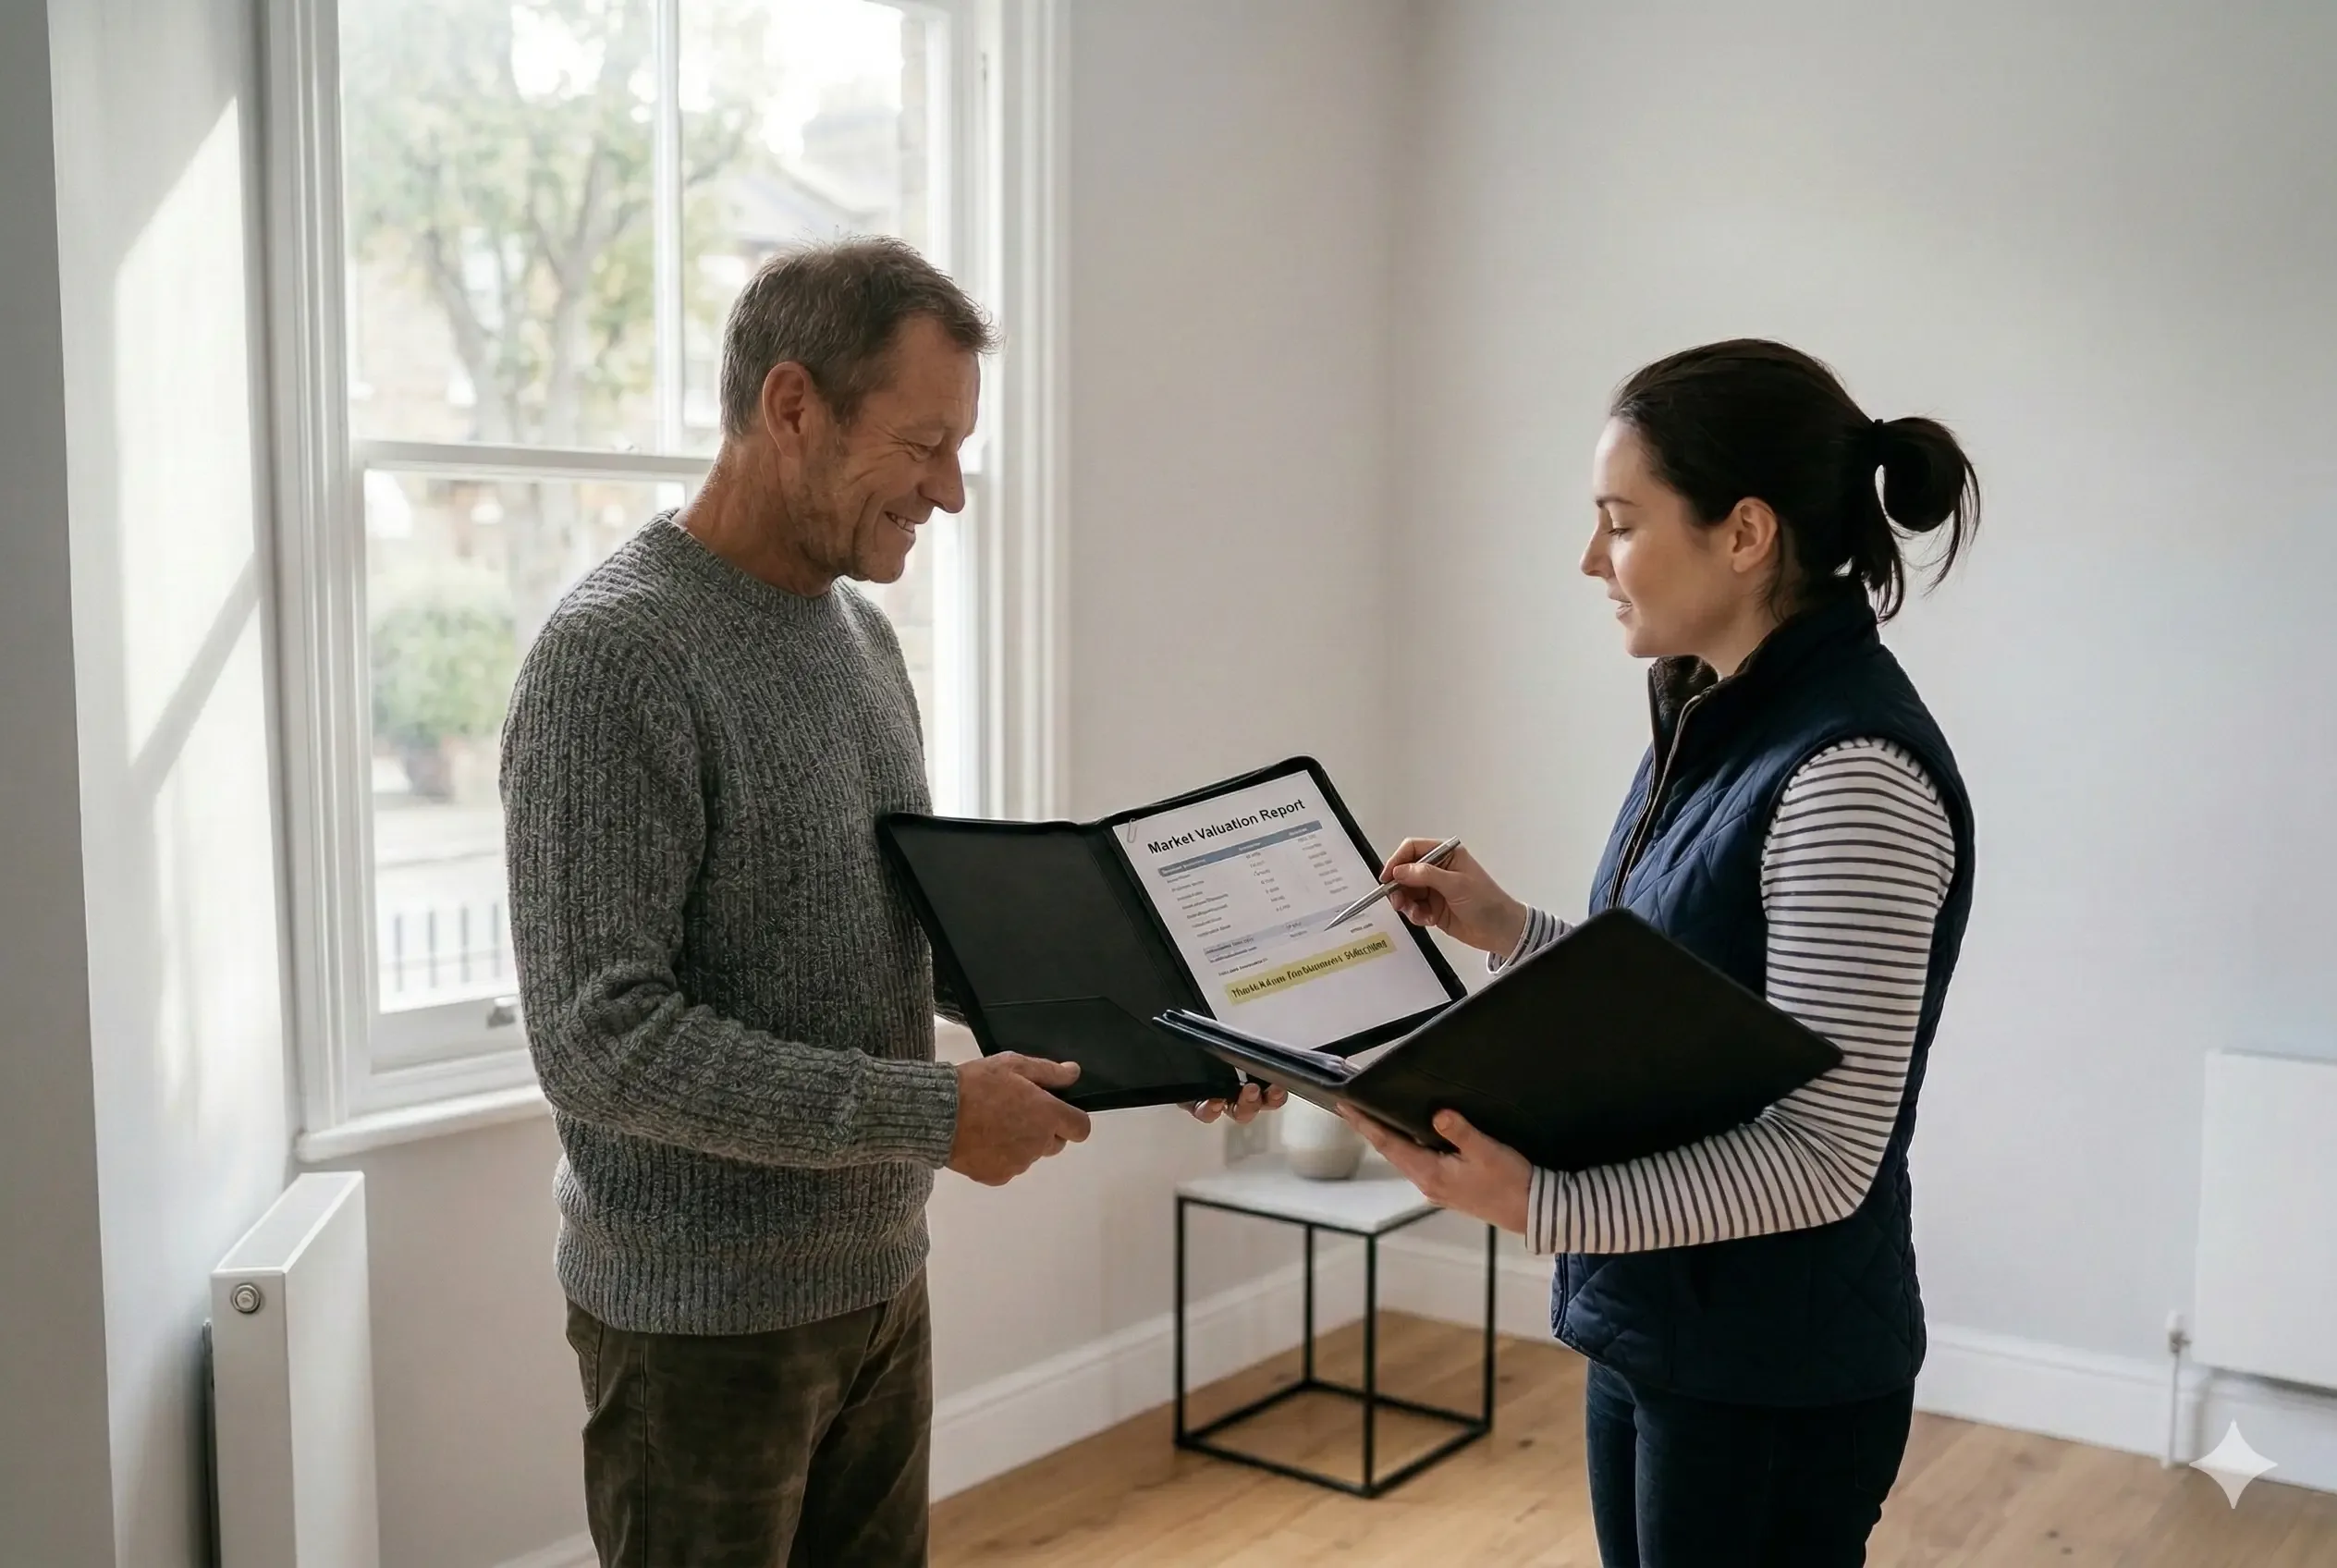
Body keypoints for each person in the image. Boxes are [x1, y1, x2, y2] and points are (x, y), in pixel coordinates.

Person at [502, 237, 1274, 1568]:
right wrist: (933, 1115)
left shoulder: (856, 636)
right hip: (701, 1328)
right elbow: (599, 1039)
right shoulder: (613, 657)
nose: (953, 492)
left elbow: (896, 934)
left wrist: (1168, 1033)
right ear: (791, 406)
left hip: (877, 1283)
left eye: (958, 447)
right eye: (923, 444)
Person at [1345, 339, 1978, 1567]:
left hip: (1769, 1375)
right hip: (1653, 1328)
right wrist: (1511, 929)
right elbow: (1697, 1003)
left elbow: (1821, 1158)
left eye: (1621, 523)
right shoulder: (1718, 712)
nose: (1593, 560)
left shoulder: (1853, 777)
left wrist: (1539, 1202)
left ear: (1744, 534)